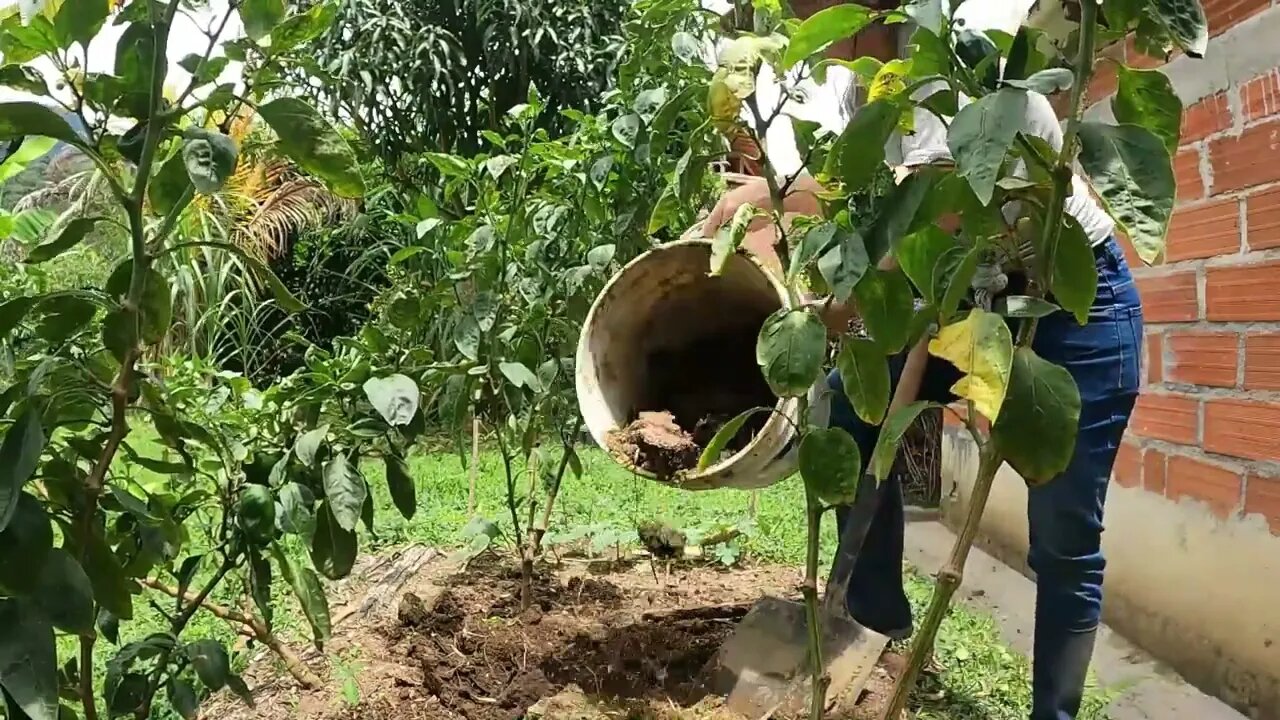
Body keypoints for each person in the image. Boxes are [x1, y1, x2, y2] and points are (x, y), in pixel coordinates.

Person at [699, 13, 1143, 720]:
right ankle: (876, 628)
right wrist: (771, 195)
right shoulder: (866, 89)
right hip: (963, 298)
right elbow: (880, 189)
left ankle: (1052, 715)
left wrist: (841, 302)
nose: (786, 10)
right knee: (852, 408)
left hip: (1072, 305)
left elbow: (942, 208)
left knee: (1063, 538)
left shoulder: (952, 64)